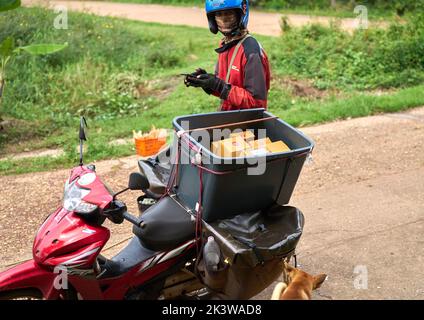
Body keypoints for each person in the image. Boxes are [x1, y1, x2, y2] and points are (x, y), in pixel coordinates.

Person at [184, 0, 271, 111]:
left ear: (240, 14)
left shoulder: (251, 51)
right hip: (228, 118)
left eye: (229, 13)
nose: (224, 19)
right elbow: (225, 89)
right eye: (219, 15)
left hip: (248, 124)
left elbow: (257, 104)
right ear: (213, 19)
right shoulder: (225, 44)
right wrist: (207, 83)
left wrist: (219, 86)